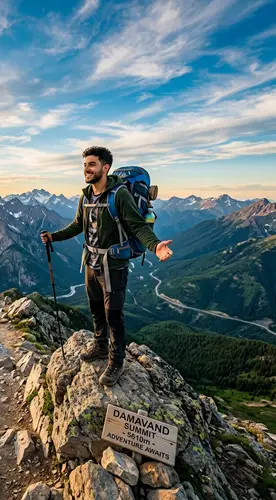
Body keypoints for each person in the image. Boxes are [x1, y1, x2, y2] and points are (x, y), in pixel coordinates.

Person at [40, 146, 173, 386]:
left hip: (114, 265)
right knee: (95, 309)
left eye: (91, 165)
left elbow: (137, 226)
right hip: (90, 262)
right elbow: (77, 225)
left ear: (105, 167)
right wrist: (54, 237)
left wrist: (155, 247)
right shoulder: (86, 195)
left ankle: (116, 361)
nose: (86, 170)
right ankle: (100, 346)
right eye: (84, 165)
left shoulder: (119, 195)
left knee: (114, 315)